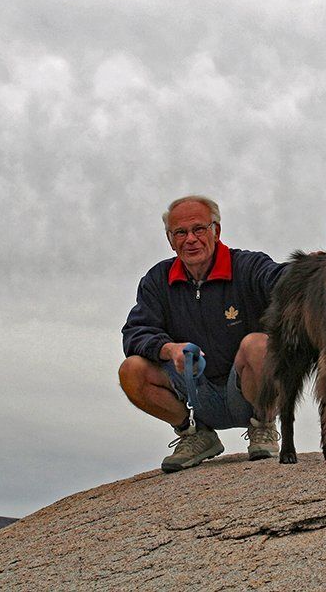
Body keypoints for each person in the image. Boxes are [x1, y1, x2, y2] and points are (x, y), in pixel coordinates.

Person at [120, 195, 286, 472]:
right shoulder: (158, 280)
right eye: (180, 233)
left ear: (216, 231)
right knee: (131, 370)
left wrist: (307, 272)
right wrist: (169, 349)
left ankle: (264, 424)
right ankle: (194, 435)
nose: (191, 239)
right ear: (170, 240)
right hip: (193, 392)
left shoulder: (247, 266)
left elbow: (279, 279)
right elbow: (135, 332)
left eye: (199, 229)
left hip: (246, 389)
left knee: (258, 345)